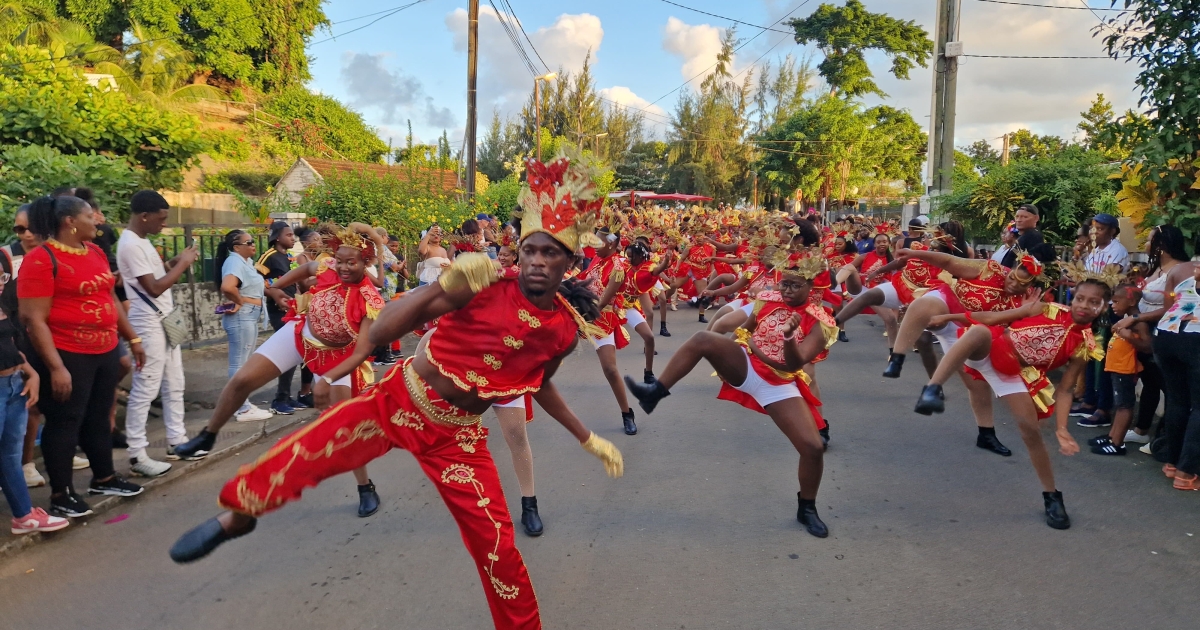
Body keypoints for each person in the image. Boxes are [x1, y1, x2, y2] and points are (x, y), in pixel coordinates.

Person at [170, 154, 624, 630]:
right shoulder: (483, 284)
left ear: (569, 261)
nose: (537, 261)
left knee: (498, 547)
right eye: (530, 250)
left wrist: (586, 437)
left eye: (550, 253)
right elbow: (385, 330)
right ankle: (239, 515)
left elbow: (539, 382)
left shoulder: (562, 330)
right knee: (306, 452)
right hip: (398, 401)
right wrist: (445, 285)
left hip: (457, 439)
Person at [174, 223, 387, 515]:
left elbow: (362, 352)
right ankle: (208, 435)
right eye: (340, 260)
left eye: (352, 262)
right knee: (242, 380)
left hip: (339, 359)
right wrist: (275, 291)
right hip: (300, 335)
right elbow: (297, 272)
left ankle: (365, 486)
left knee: (343, 428)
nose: (343, 267)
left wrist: (327, 379)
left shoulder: (370, 299)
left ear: (366, 262)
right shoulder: (325, 267)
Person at [625, 248, 837, 538]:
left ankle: (807, 508)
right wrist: (739, 352)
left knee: (812, 448)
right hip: (746, 366)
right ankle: (655, 392)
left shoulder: (820, 321)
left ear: (810, 286)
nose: (786, 290)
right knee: (704, 338)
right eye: (784, 283)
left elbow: (794, 363)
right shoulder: (768, 300)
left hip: (779, 385)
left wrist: (787, 336)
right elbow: (745, 332)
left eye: (794, 285)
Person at [913, 272, 1114, 529]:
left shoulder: (1085, 345)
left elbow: (1065, 390)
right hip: (990, 348)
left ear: (1103, 307)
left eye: (1093, 302)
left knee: (1031, 432)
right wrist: (949, 317)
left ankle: (1052, 497)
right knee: (980, 332)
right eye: (1080, 298)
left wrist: (1062, 428)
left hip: (1013, 372)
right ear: (1073, 297)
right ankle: (932, 389)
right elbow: (991, 318)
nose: (1084, 305)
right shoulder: (1046, 308)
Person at [18, 195, 146, 518]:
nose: (97, 220)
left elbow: (110, 299)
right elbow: (34, 319)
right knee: (65, 421)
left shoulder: (96, 252)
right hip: (67, 353)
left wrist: (132, 338)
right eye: (91, 216)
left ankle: (104, 478)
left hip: (104, 349)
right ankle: (61, 494)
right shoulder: (41, 259)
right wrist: (56, 367)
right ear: (70, 222)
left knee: (99, 415)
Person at [116, 190, 202, 477]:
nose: (164, 224)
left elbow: (155, 274)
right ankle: (137, 454)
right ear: (144, 216)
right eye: (161, 218)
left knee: (174, 382)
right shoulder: (130, 244)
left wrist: (175, 261)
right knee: (146, 387)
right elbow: (153, 288)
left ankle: (177, 441)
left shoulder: (141, 241)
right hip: (148, 322)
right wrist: (184, 264)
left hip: (163, 320)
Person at [0, 260, 68, 535]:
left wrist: (32, 374)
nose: (1, 283)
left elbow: (12, 347)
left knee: (10, 455)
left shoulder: (4, 306)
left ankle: (24, 515)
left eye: (2, 276)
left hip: (15, 386)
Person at [1108, 225, 1187, 445]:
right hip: (1142, 328)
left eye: (1150, 240)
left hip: (1161, 332)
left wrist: (1136, 318)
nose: (1146, 244)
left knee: (1166, 386)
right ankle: (1141, 429)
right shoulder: (1156, 268)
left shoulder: (1178, 270)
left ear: (1162, 244)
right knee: (1149, 382)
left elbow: (1173, 307)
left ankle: (1166, 437)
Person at [3, 205, 49, 488]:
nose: (26, 234)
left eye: (31, 228)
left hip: (45, 335)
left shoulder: (51, 253)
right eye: (19, 229)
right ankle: (25, 465)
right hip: (15, 339)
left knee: (43, 402)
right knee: (26, 404)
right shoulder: (7, 257)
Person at [1150, 257, 1200, 490]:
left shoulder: (1180, 269)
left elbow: (1168, 304)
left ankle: (1172, 462)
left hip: (1166, 333)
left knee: (1178, 401)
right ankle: (1186, 473)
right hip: (1195, 338)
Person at [1087, 282, 1152, 456]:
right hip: (1117, 368)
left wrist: (1129, 337)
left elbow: (1147, 346)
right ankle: (1112, 437)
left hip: (1126, 370)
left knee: (1124, 406)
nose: (1113, 305)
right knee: (1120, 406)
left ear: (1131, 301)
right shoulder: (1125, 320)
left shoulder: (1138, 324)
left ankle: (1118, 443)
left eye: (1116, 301)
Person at [215, 229, 271, 422]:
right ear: (237, 247)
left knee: (244, 363)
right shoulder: (234, 262)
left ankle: (242, 403)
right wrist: (239, 301)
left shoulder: (244, 262)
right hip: (242, 316)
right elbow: (227, 287)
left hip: (248, 315)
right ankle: (242, 408)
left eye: (253, 241)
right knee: (238, 363)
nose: (253, 244)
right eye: (249, 242)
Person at [258, 222, 308, 416]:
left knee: (296, 351)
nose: (293, 238)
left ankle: (286, 396)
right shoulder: (269, 256)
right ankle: (279, 400)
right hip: (278, 311)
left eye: (293, 235)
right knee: (289, 350)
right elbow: (257, 281)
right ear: (277, 237)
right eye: (288, 235)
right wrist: (274, 295)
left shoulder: (289, 257)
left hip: (293, 308)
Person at [1000, 204, 1044, 268]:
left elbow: (1032, 265)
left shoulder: (1033, 236)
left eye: (1025, 217)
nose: (1019, 220)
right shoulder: (1024, 235)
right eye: (1017, 216)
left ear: (1036, 218)